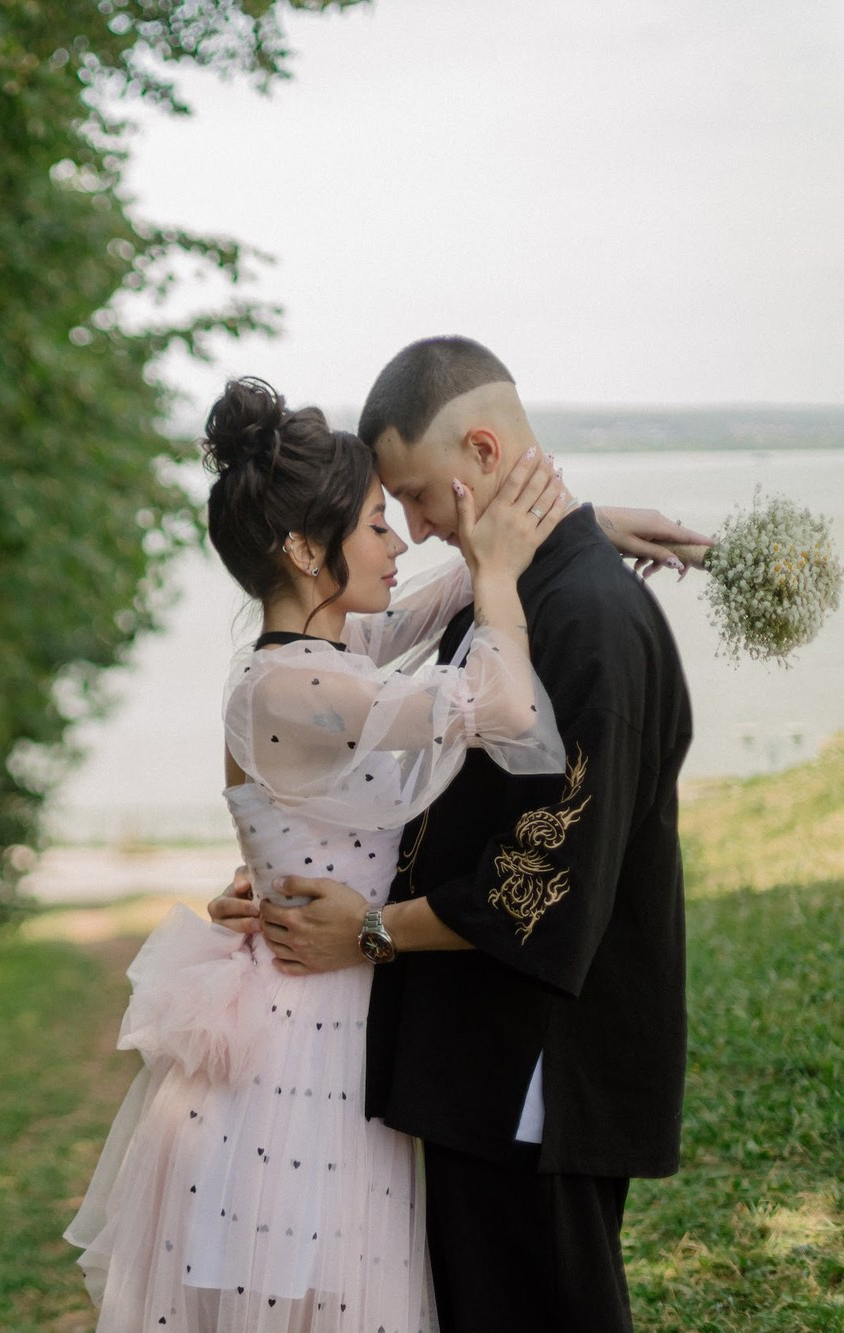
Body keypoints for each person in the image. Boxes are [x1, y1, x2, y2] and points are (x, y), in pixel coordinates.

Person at [66, 375, 576, 1333]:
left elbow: (435, 602)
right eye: (378, 524)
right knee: (312, 1287)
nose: (400, 543)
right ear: (305, 550)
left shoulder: (327, 658)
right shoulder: (289, 684)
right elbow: (504, 704)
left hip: (334, 1021)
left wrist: (587, 533)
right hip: (297, 1052)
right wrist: (502, 576)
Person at [219, 337, 698, 1333]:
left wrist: (369, 926)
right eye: (383, 514)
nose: (415, 533)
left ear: (480, 451)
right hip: (455, 1054)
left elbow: (545, 875)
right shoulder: (502, 599)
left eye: (413, 499)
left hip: (535, 1065)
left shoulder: (581, 615)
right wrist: (282, 863)